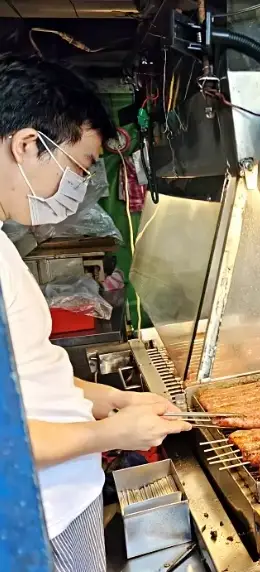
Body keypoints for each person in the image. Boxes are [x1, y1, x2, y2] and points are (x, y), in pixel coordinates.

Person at [0, 55, 192, 571]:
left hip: (64, 497)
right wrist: (109, 436)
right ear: (27, 145)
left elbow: (24, 377)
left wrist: (110, 399)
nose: (81, 184)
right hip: (40, 517)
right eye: (80, 166)